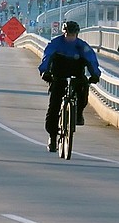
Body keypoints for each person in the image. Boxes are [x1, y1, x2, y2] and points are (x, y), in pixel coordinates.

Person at [38, 20, 101, 152]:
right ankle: (53, 137)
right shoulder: (56, 43)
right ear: (64, 33)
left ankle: (78, 114)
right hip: (59, 75)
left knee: (83, 91)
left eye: (73, 35)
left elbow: (91, 59)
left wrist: (95, 74)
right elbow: (47, 57)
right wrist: (44, 71)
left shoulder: (82, 46)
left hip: (76, 75)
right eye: (68, 34)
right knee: (54, 106)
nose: (70, 37)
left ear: (77, 34)